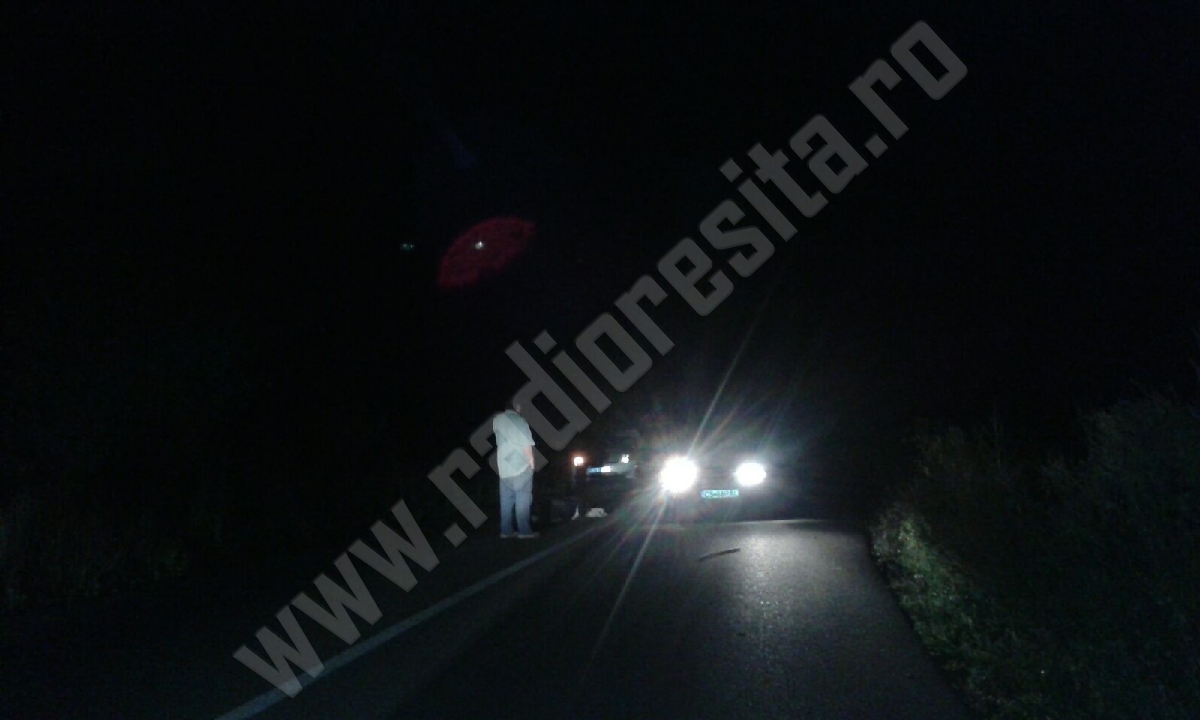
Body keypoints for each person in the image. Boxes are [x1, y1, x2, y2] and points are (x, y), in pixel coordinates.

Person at [493, 400, 539, 538]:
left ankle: (506, 531)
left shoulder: (497, 420)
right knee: (522, 499)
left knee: (506, 501)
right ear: (516, 406)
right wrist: (532, 463)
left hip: (503, 468)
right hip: (520, 466)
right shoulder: (520, 420)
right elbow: (526, 444)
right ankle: (524, 531)